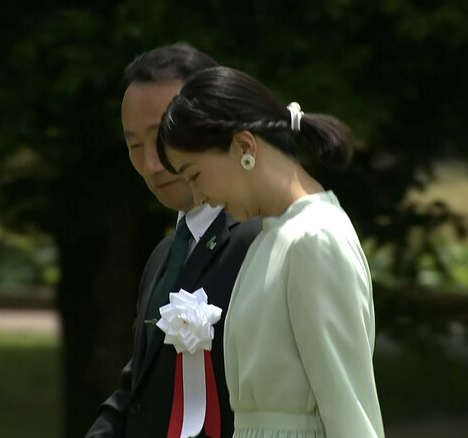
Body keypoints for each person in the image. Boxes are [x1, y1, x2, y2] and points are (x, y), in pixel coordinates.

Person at [156, 67, 385, 437]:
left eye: (194, 175)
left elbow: (351, 413)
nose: (198, 197)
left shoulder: (315, 238)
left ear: (244, 147)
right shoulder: (269, 238)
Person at [86, 44, 261, 437]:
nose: (151, 164)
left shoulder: (262, 243)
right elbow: (140, 392)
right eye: (134, 146)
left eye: (162, 136)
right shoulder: (163, 256)